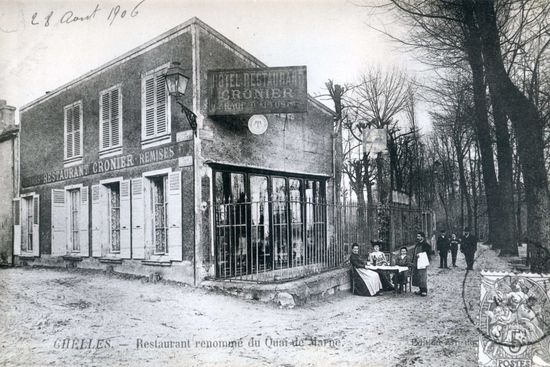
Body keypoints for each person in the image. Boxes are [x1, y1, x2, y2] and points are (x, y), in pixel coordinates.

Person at [412, 231, 432, 297]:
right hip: (416, 262)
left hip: (422, 262)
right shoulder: (417, 244)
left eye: (419, 236)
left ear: (422, 237)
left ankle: (424, 290)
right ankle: (420, 289)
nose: (417, 237)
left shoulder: (426, 244)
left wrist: (421, 255)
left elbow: (429, 253)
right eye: (417, 236)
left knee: (422, 276)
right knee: (417, 276)